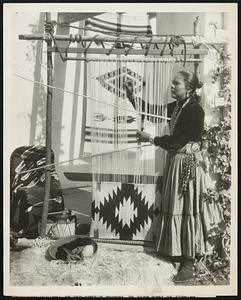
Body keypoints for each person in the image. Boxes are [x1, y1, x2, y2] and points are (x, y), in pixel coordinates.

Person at [124, 71, 223, 283]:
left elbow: (176, 141)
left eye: (175, 84)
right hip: (176, 163)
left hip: (186, 165)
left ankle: (188, 263)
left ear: (188, 88)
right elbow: (153, 111)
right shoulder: (178, 107)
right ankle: (177, 251)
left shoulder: (194, 111)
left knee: (187, 209)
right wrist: (133, 98)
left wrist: (149, 138)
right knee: (177, 208)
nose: (171, 87)